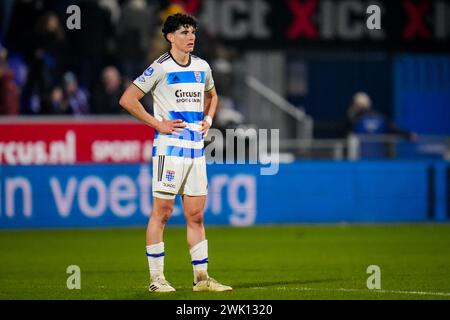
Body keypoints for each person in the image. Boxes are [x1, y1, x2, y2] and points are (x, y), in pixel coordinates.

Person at [119, 13, 232, 293]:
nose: (190, 36)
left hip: (195, 151)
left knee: (196, 215)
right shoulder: (159, 68)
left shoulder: (202, 67)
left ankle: (202, 279)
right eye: (183, 32)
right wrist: (158, 124)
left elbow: (212, 95)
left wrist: (209, 119)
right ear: (170, 37)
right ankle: (156, 280)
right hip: (169, 151)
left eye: (192, 31)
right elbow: (127, 99)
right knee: (163, 213)